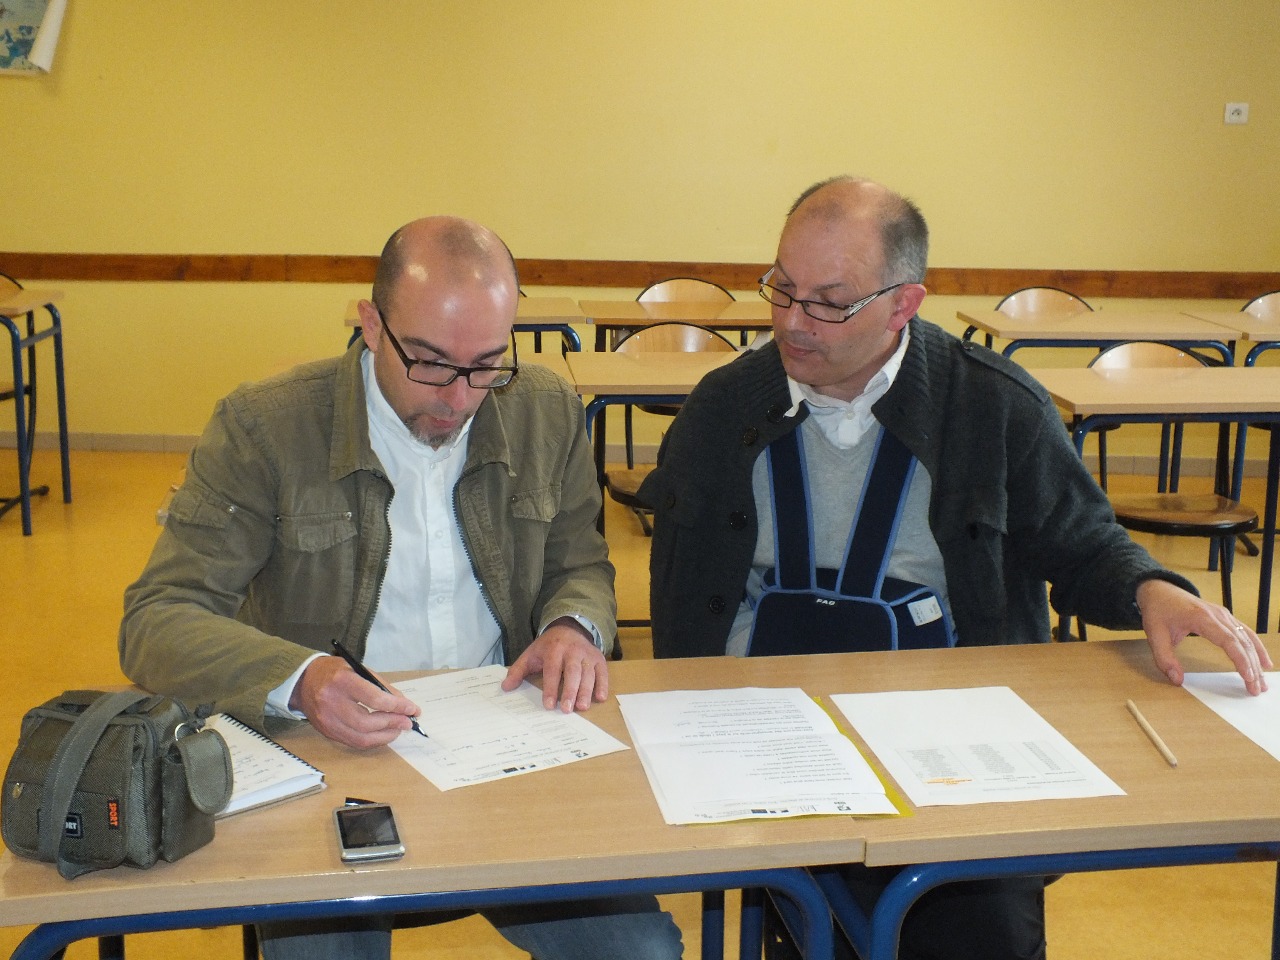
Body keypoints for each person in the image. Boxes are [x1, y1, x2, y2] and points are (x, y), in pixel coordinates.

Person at [640, 176, 1271, 960]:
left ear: (904, 304)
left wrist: (1151, 588)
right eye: (782, 288)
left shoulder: (994, 406)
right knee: (810, 924)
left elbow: (1081, 541)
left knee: (985, 933)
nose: (793, 322)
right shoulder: (722, 409)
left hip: (949, 746)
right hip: (771, 742)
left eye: (830, 302)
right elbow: (680, 607)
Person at [120, 216, 683, 960]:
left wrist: (573, 626)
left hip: (506, 751)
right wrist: (300, 679)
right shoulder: (265, 427)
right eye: (430, 362)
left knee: (640, 950)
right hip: (331, 763)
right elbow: (157, 618)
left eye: (486, 365)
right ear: (370, 325)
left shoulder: (543, 409)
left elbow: (581, 562)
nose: (459, 397)